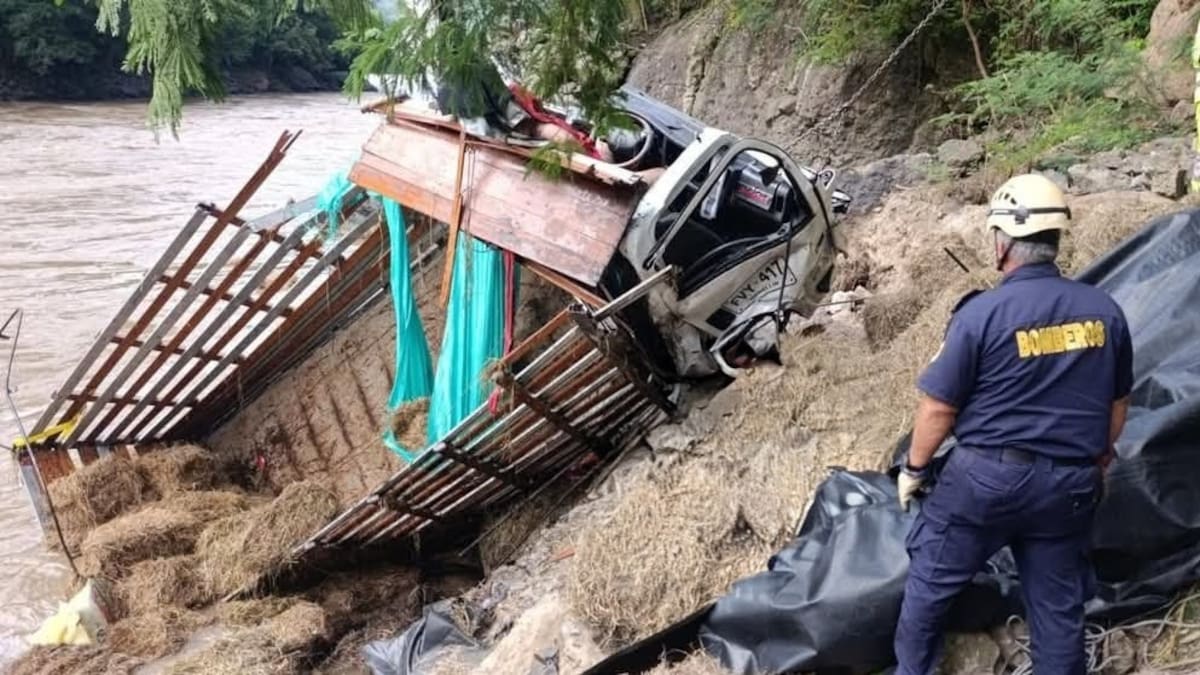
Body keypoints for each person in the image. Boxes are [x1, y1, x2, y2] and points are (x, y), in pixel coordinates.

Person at [893, 174, 1134, 674]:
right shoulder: (1104, 311)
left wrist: (914, 469)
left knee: (930, 585)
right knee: (1057, 610)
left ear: (1002, 242)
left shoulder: (982, 314)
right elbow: (1117, 406)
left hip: (985, 481)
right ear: (1055, 240)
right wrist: (1098, 457)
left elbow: (938, 409)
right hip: (1069, 483)